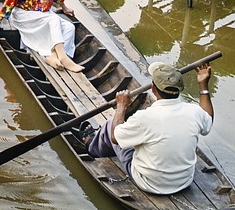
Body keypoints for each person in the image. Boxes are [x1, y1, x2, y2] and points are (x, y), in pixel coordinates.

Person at [85, 61, 213, 195]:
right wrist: (203, 84)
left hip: (148, 182)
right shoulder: (194, 112)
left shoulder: (144, 117)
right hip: (183, 181)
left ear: (153, 88)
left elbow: (114, 137)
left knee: (111, 125)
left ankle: (91, 146)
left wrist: (121, 106)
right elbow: (208, 119)